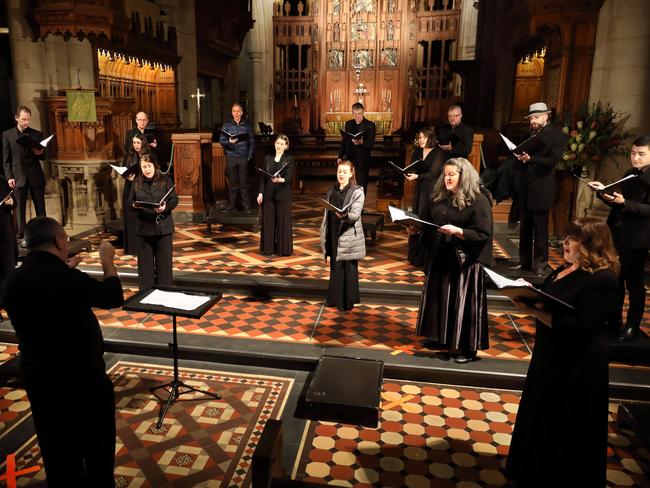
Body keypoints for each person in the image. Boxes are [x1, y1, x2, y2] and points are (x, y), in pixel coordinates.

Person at [1, 216, 123, 486]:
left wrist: (64, 269)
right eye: (65, 239)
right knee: (97, 456)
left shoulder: (13, 282)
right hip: (83, 380)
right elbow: (113, 297)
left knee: (58, 455)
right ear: (58, 240)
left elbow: (44, 291)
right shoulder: (69, 280)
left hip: (40, 381)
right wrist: (107, 259)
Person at [505, 218, 619, 487]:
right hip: (550, 357)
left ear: (591, 244)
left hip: (578, 365)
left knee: (566, 424)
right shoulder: (566, 269)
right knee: (543, 415)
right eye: (566, 237)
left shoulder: (604, 280)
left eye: (573, 238)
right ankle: (532, 471)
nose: (565, 242)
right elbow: (549, 299)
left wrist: (532, 310)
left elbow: (580, 327)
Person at [414, 157, 494, 363]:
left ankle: (466, 348)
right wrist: (416, 226)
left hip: (466, 259)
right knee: (441, 297)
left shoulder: (478, 199)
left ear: (464, 176)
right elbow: (430, 221)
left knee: (461, 303)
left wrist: (459, 231)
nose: (447, 178)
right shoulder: (441, 197)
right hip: (443, 254)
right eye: (445, 174)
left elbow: (483, 233)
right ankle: (441, 338)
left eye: (452, 174)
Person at [589, 135, 650, 341]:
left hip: (637, 238)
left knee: (634, 284)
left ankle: (632, 325)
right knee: (615, 280)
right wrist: (603, 193)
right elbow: (619, 202)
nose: (635, 158)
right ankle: (613, 320)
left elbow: (646, 210)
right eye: (633, 153)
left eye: (641, 154)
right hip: (617, 234)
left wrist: (624, 203)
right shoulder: (630, 173)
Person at [512, 102, 568, 275]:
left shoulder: (558, 135)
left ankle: (541, 264)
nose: (533, 121)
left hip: (542, 185)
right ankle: (525, 262)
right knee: (525, 226)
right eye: (531, 118)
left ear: (546, 116)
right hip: (526, 185)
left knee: (540, 227)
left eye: (536, 117)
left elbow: (552, 162)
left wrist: (531, 159)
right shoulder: (530, 134)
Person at [320, 160, 366, 311]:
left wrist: (345, 216)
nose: (341, 174)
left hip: (347, 232)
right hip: (333, 231)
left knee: (347, 267)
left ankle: (346, 301)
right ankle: (334, 298)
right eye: (340, 171)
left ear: (351, 173)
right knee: (335, 265)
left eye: (345, 172)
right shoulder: (332, 189)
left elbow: (355, 215)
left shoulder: (357, 191)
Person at [130, 153, 178, 290]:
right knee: (145, 265)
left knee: (164, 264)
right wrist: (134, 205)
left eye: (149, 166)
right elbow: (129, 203)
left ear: (155, 166)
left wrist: (165, 208)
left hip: (163, 227)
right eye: (143, 167)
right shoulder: (136, 182)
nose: (146, 169)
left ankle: (165, 291)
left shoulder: (165, 180)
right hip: (144, 228)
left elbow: (174, 199)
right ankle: (146, 292)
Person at [2, 105, 47, 240]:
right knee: (20, 209)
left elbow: (44, 157)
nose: (26, 122)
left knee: (40, 207)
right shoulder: (7, 135)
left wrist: (39, 153)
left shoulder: (37, 134)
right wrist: (9, 177)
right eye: (23, 119)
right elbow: (6, 159)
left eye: (28, 119)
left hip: (35, 175)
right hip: (18, 176)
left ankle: (43, 233)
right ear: (17, 118)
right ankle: (21, 235)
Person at [405, 126, 444, 266]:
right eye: (419, 137)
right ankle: (415, 256)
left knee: (427, 217)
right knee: (417, 217)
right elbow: (412, 167)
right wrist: (407, 172)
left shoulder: (438, 152)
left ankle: (426, 257)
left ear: (430, 138)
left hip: (432, 190)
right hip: (420, 188)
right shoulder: (417, 152)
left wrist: (417, 176)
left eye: (423, 137)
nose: (420, 140)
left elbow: (433, 174)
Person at [257, 134, 294, 256]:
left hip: (283, 194)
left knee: (282, 222)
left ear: (286, 146)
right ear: (274, 144)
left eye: (282, 144)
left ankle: (283, 250)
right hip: (268, 194)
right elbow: (262, 177)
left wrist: (281, 180)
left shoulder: (289, 159)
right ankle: (268, 249)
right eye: (277, 143)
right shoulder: (267, 158)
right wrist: (260, 193)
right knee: (268, 222)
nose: (279, 146)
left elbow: (289, 177)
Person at [220, 103, 255, 212]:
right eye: (234, 111)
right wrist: (229, 142)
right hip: (231, 157)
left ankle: (246, 206)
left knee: (244, 184)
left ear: (242, 112)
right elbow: (222, 140)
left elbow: (252, 142)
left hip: (243, 157)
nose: (236, 113)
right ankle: (231, 206)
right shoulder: (227, 125)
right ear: (232, 113)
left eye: (238, 111)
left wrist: (249, 155)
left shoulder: (247, 126)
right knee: (233, 184)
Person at [120, 134, 151, 255]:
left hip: (143, 189)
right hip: (129, 188)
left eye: (138, 143)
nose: (136, 145)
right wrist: (127, 175)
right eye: (134, 143)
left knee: (141, 218)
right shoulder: (129, 155)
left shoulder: (148, 156)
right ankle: (131, 247)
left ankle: (143, 246)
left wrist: (137, 178)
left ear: (143, 143)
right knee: (130, 217)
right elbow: (123, 170)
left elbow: (151, 172)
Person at [338, 102, 376, 195]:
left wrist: (362, 142)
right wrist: (340, 156)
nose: (357, 116)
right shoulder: (348, 124)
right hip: (349, 158)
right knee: (348, 184)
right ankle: (348, 207)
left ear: (363, 112)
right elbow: (344, 141)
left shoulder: (370, 125)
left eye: (359, 113)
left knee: (361, 185)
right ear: (352, 113)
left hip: (362, 159)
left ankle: (360, 208)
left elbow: (371, 144)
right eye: (355, 114)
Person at [0, 174, 17, 292]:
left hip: (4, 226)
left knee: (7, 261)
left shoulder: (1, 180)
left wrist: (11, 202)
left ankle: (9, 293)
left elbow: (13, 200)